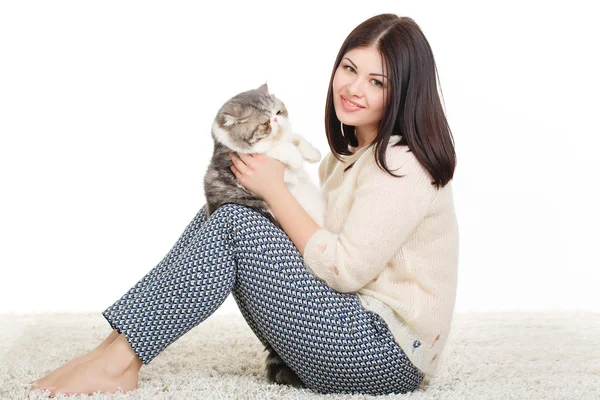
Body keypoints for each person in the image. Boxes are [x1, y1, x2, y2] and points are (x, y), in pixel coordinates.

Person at [28, 13, 458, 397]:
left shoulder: (403, 163)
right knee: (229, 210)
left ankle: (119, 361)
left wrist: (276, 192)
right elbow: (309, 243)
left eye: (376, 81)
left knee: (238, 221)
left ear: (402, 91)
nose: (353, 87)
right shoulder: (343, 160)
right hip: (347, 329)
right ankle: (117, 347)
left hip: (385, 356)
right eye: (349, 68)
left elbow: (345, 271)